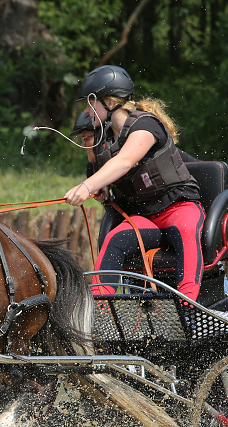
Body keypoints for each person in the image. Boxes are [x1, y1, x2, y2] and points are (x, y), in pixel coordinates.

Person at [65, 65, 205, 300]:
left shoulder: (146, 125)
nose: (87, 111)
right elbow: (113, 170)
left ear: (110, 102)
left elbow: (125, 161)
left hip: (179, 209)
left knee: (187, 232)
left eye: (91, 103)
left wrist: (86, 185)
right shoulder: (106, 139)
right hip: (146, 218)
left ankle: (188, 308)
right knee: (114, 240)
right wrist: (103, 187)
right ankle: (97, 309)